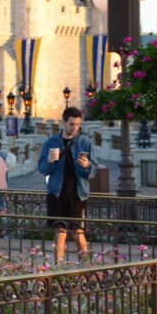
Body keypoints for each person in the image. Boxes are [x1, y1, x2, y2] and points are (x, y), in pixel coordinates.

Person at [38, 106, 96, 263]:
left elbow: (93, 171)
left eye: (78, 124)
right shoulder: (51, 142)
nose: (75, 127)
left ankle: (86, 267)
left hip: (78, 194)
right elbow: (43, 169)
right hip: (56, 193)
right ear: (63, 122)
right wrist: (50, 161)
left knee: (78, 232)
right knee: (59, 233)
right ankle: (58, 269)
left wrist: (86, 166)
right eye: (72, 124)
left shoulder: (84, 142)